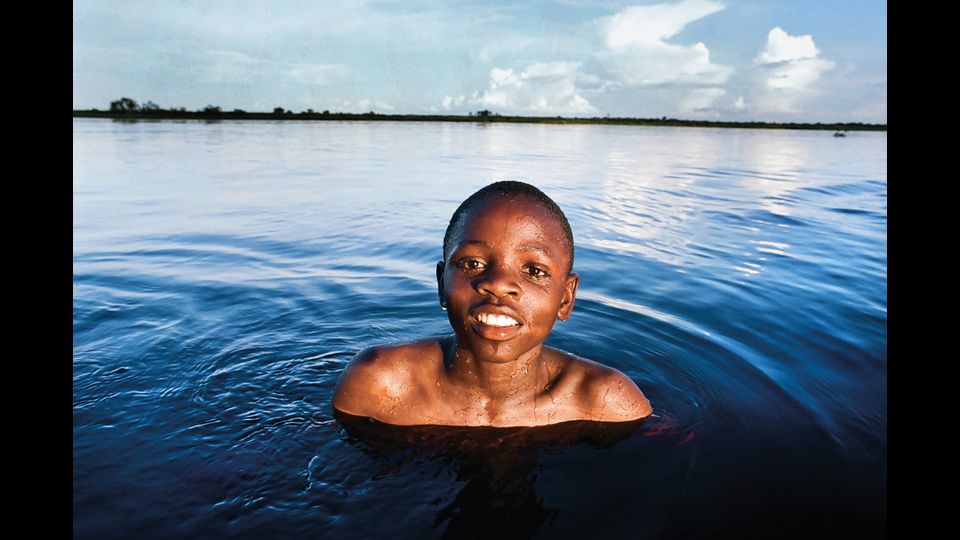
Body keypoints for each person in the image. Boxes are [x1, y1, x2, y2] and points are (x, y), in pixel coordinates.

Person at [332, 181, 652, 426]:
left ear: (565, 299)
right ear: (442, 284)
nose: (498, 284)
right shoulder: (380, 385)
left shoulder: (605, 402)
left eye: (534, 270)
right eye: (472, 264)